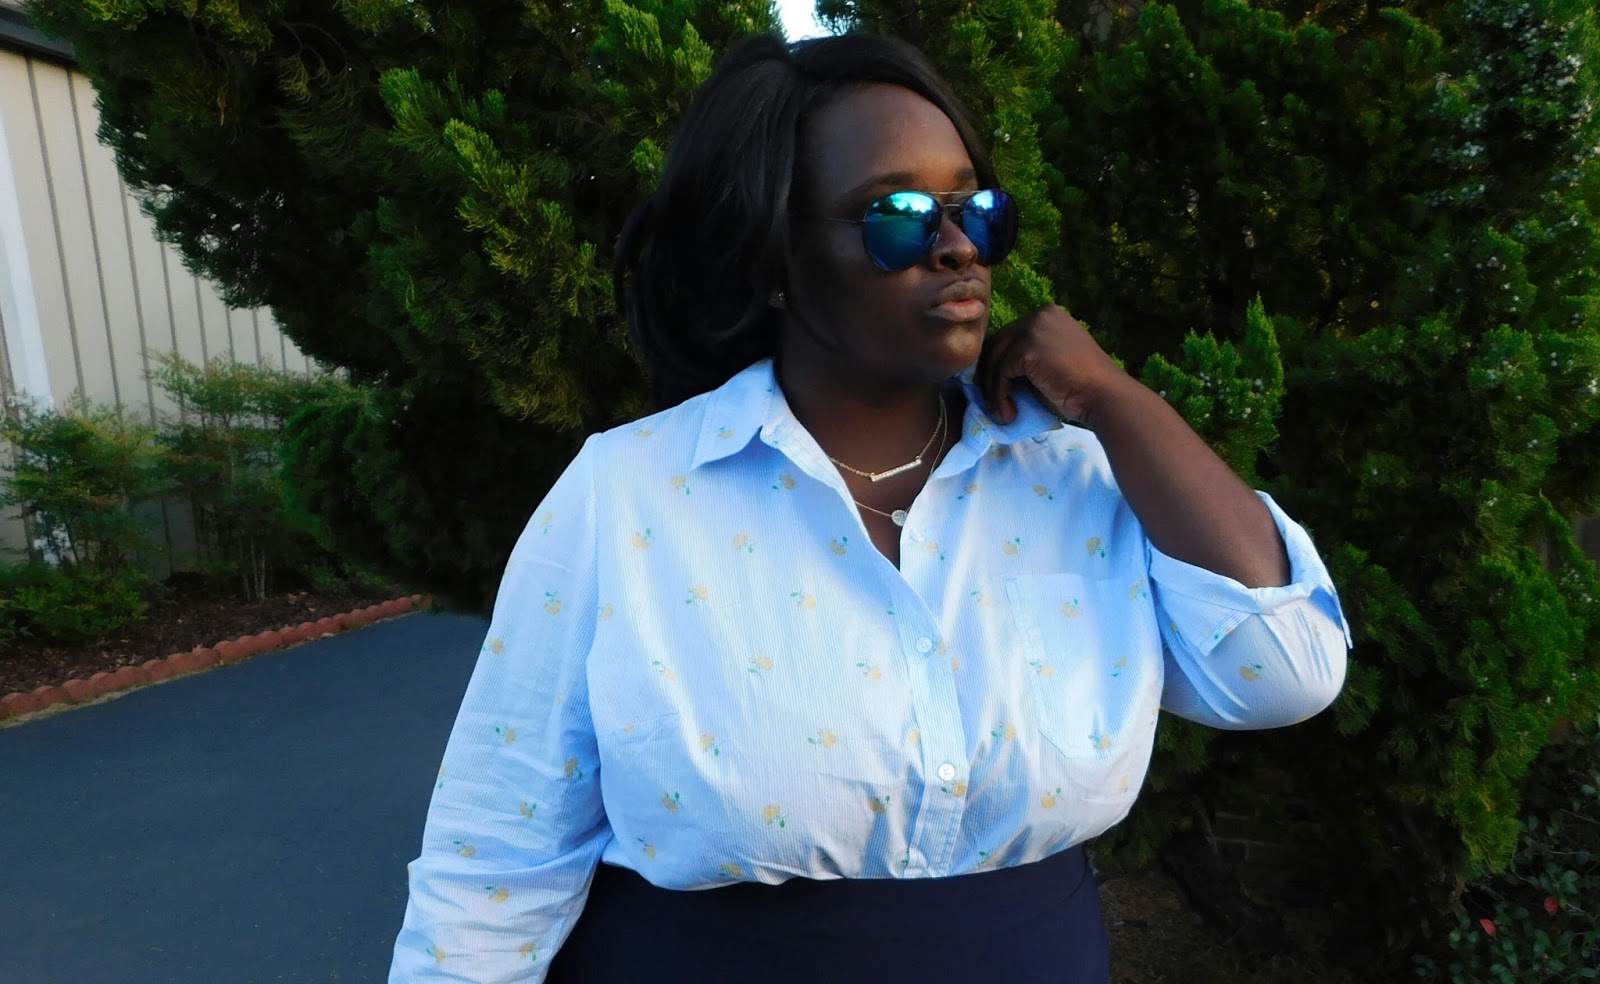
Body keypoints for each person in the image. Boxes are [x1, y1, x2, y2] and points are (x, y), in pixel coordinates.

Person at [389, 32, 1350, 983]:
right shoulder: (629, 493)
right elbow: (497, 857)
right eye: (898, 216)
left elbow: (1286, 672)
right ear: (774, 258)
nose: (958, 247)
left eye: (976, 210)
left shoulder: (1073, 477)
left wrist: (1115, 400)